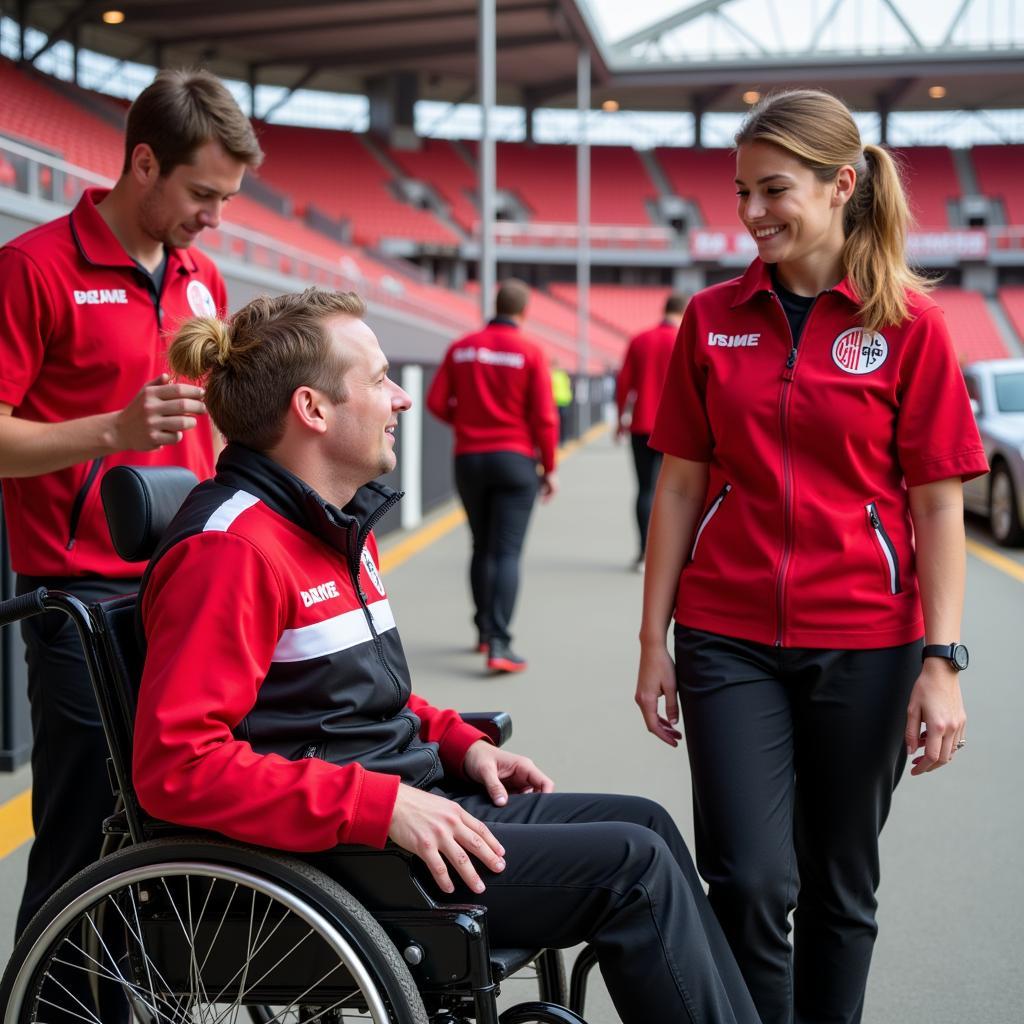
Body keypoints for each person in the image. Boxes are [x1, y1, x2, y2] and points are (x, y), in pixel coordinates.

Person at [131, 286, 760, 1024]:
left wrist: (459, 743)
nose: (400, 398)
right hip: (345, 854)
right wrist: (383, 805)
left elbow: (359, 699)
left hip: (403, 806)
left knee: (648, 823)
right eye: (378, 380)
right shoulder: (231, 552)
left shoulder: (327, 526)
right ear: (313, 409)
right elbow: (178, 766)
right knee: (636, 869)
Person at [634, 89, 988, 1024]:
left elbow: (938, 504)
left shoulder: (912, 323)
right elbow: (678, 485)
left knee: (839, 885)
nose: (752, 214)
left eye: (773, 191)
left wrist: (941, 662)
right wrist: (651, 640)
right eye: (742, 191)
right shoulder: (711, 317)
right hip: (727, 634)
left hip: (868, 643)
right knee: (747, 879)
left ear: (841, 186)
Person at [0, 67, 262, 937]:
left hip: (187, 586)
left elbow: (219, 433)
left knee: (177, 835)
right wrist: (111, 431)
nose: (214, 216)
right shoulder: (31, 269)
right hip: (79, 598)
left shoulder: (202, 277)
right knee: (82, 839)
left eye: (225, 198)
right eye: (201, 193)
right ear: (143, 164)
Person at [426, 278, 558, 673]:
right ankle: (500, 643)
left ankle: (483, 631)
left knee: (480, 546)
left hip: (469, 458)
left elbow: (435, 402)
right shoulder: (531, 351)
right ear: (524, 311)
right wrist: (549, 468)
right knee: (506, 552)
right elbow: (545, 418)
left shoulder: (462, 346)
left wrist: (465, 423)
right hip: (515, 460)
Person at [615, 292, 687, 569]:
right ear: (682, 312)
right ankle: (670, 556)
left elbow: (625, 382)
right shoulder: (683, 338)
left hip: (642, 425)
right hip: (678, 429)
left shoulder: (640, 339)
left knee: (645, 489)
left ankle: (643, 553)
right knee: (676, 491)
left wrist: (622, 416)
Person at [550, 357, 574, 444]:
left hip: (563, 401)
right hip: (554, 402)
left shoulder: (562, 374)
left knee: (563, 422)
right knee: (555, 423)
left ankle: (563, 440)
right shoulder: (550, 374)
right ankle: (556, 440)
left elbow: (568, 386)